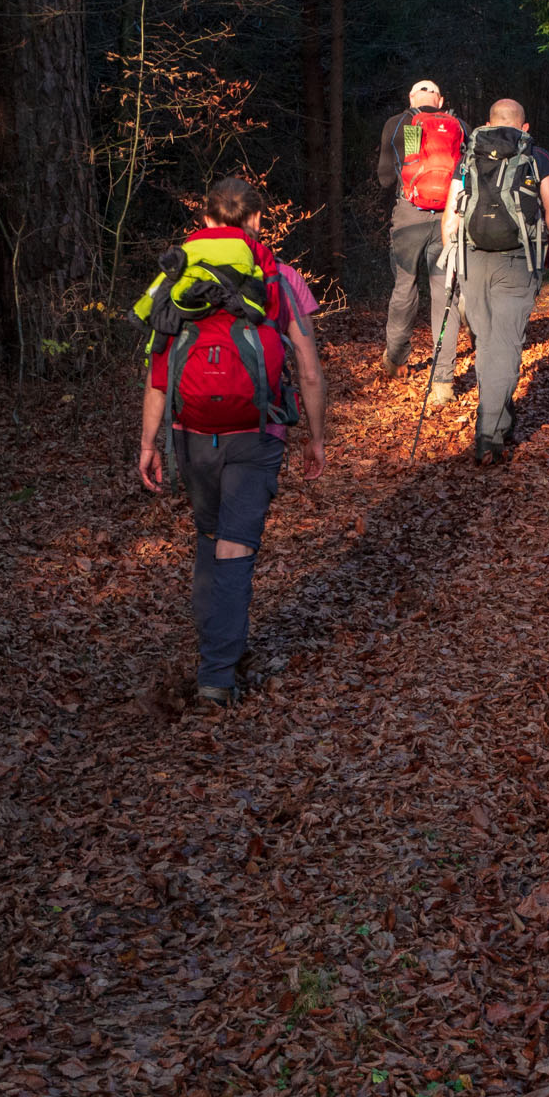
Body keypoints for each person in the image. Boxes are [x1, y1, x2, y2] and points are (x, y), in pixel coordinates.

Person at [137, 177, 326, 706]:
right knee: (234, 546)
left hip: (191, 433)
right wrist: (315, 438)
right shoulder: (278, 277)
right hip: (257, 431)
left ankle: (214, 648)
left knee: (209, 537)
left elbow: (157, 371)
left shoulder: (176, 277)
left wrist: (148, 442)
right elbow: (308, 371)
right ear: (257, 220)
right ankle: (217, 673)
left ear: (204, 220)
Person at [440, 98, 549, 466]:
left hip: (472, 260)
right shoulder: (537, 157)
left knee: (488, 344)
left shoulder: (468, 157)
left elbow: (450, 219)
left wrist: (452, 261)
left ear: (488, 123)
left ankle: (500, 418)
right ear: (524, 127)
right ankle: (489, 435)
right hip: (517, 260)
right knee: (506, 345)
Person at [375, 79, 467, 404]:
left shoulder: (401, 124)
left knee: (405, 287)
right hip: (450, 221)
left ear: (411, 98)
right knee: (446, 297)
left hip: (408, 220)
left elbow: (386, 178)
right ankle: (443, 383)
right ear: (440, 101)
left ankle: (396, 360)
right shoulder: (459, 126)